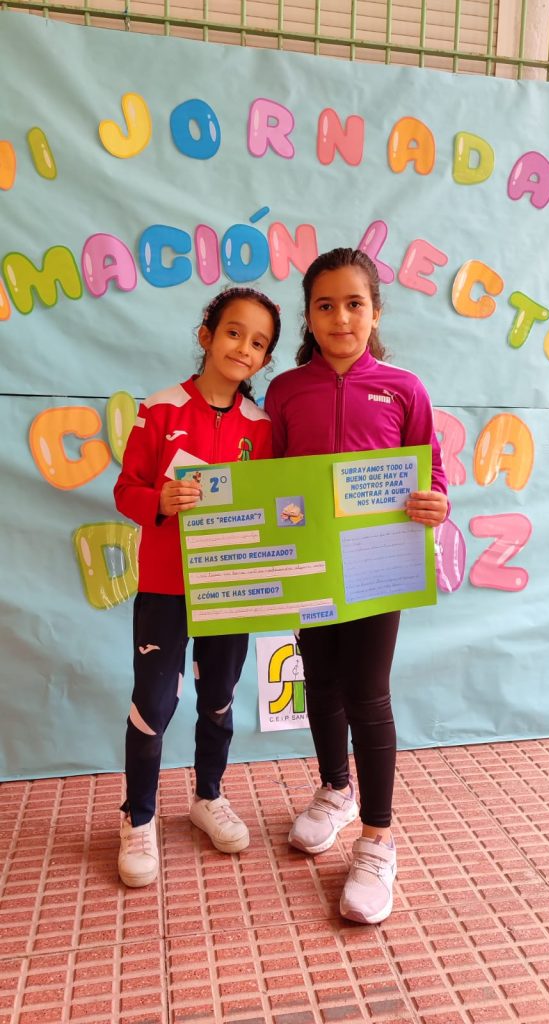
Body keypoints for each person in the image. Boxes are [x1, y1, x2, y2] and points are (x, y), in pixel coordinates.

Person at [265, 248, 448, 924]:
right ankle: (335, 789)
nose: (340, 317)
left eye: (354, 304)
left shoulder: (404, 388)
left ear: (376, 312)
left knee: (368, 693)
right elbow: (269, 477)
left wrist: (435, 502)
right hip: (310, 566)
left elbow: (432, 474)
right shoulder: (286, 391)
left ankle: (377, 839)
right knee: (321, 682)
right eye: (325, 305)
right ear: (308, 317)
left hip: (378, 567)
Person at [114, 286, 280, 887]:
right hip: (166, 586)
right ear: (206, 334)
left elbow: (273, 506)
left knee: (219, 697)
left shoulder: (262, 427)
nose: (243, 348)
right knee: (154, 702)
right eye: (234, 332)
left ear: (264, 359)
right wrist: (158, 500)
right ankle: (138, 816)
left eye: (258, 343)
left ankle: (208, 795)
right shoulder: (160, 409)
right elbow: (125, 490)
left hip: (231, 587)